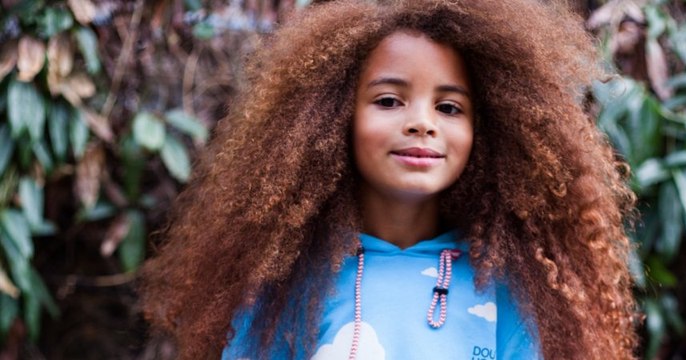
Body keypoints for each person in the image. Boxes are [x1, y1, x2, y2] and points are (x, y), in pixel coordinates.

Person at [140, 0, 639, 359]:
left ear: (484, 131)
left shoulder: (511, 293)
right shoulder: (279, 291)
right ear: (332, 121)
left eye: (449, 107)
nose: (422, 122)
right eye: (388, 100)